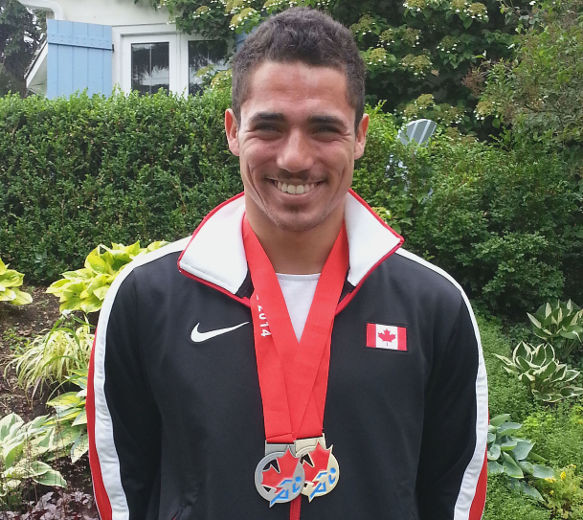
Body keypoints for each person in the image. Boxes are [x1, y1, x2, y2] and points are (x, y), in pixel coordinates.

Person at [87, 7, 488, 520]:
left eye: (324, 129)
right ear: (233, 131)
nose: (295, 158)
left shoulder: (435, 306)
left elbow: (452, 496)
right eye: (270, 127)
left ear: (360, 136)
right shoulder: (146, 299)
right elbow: (126, 492)